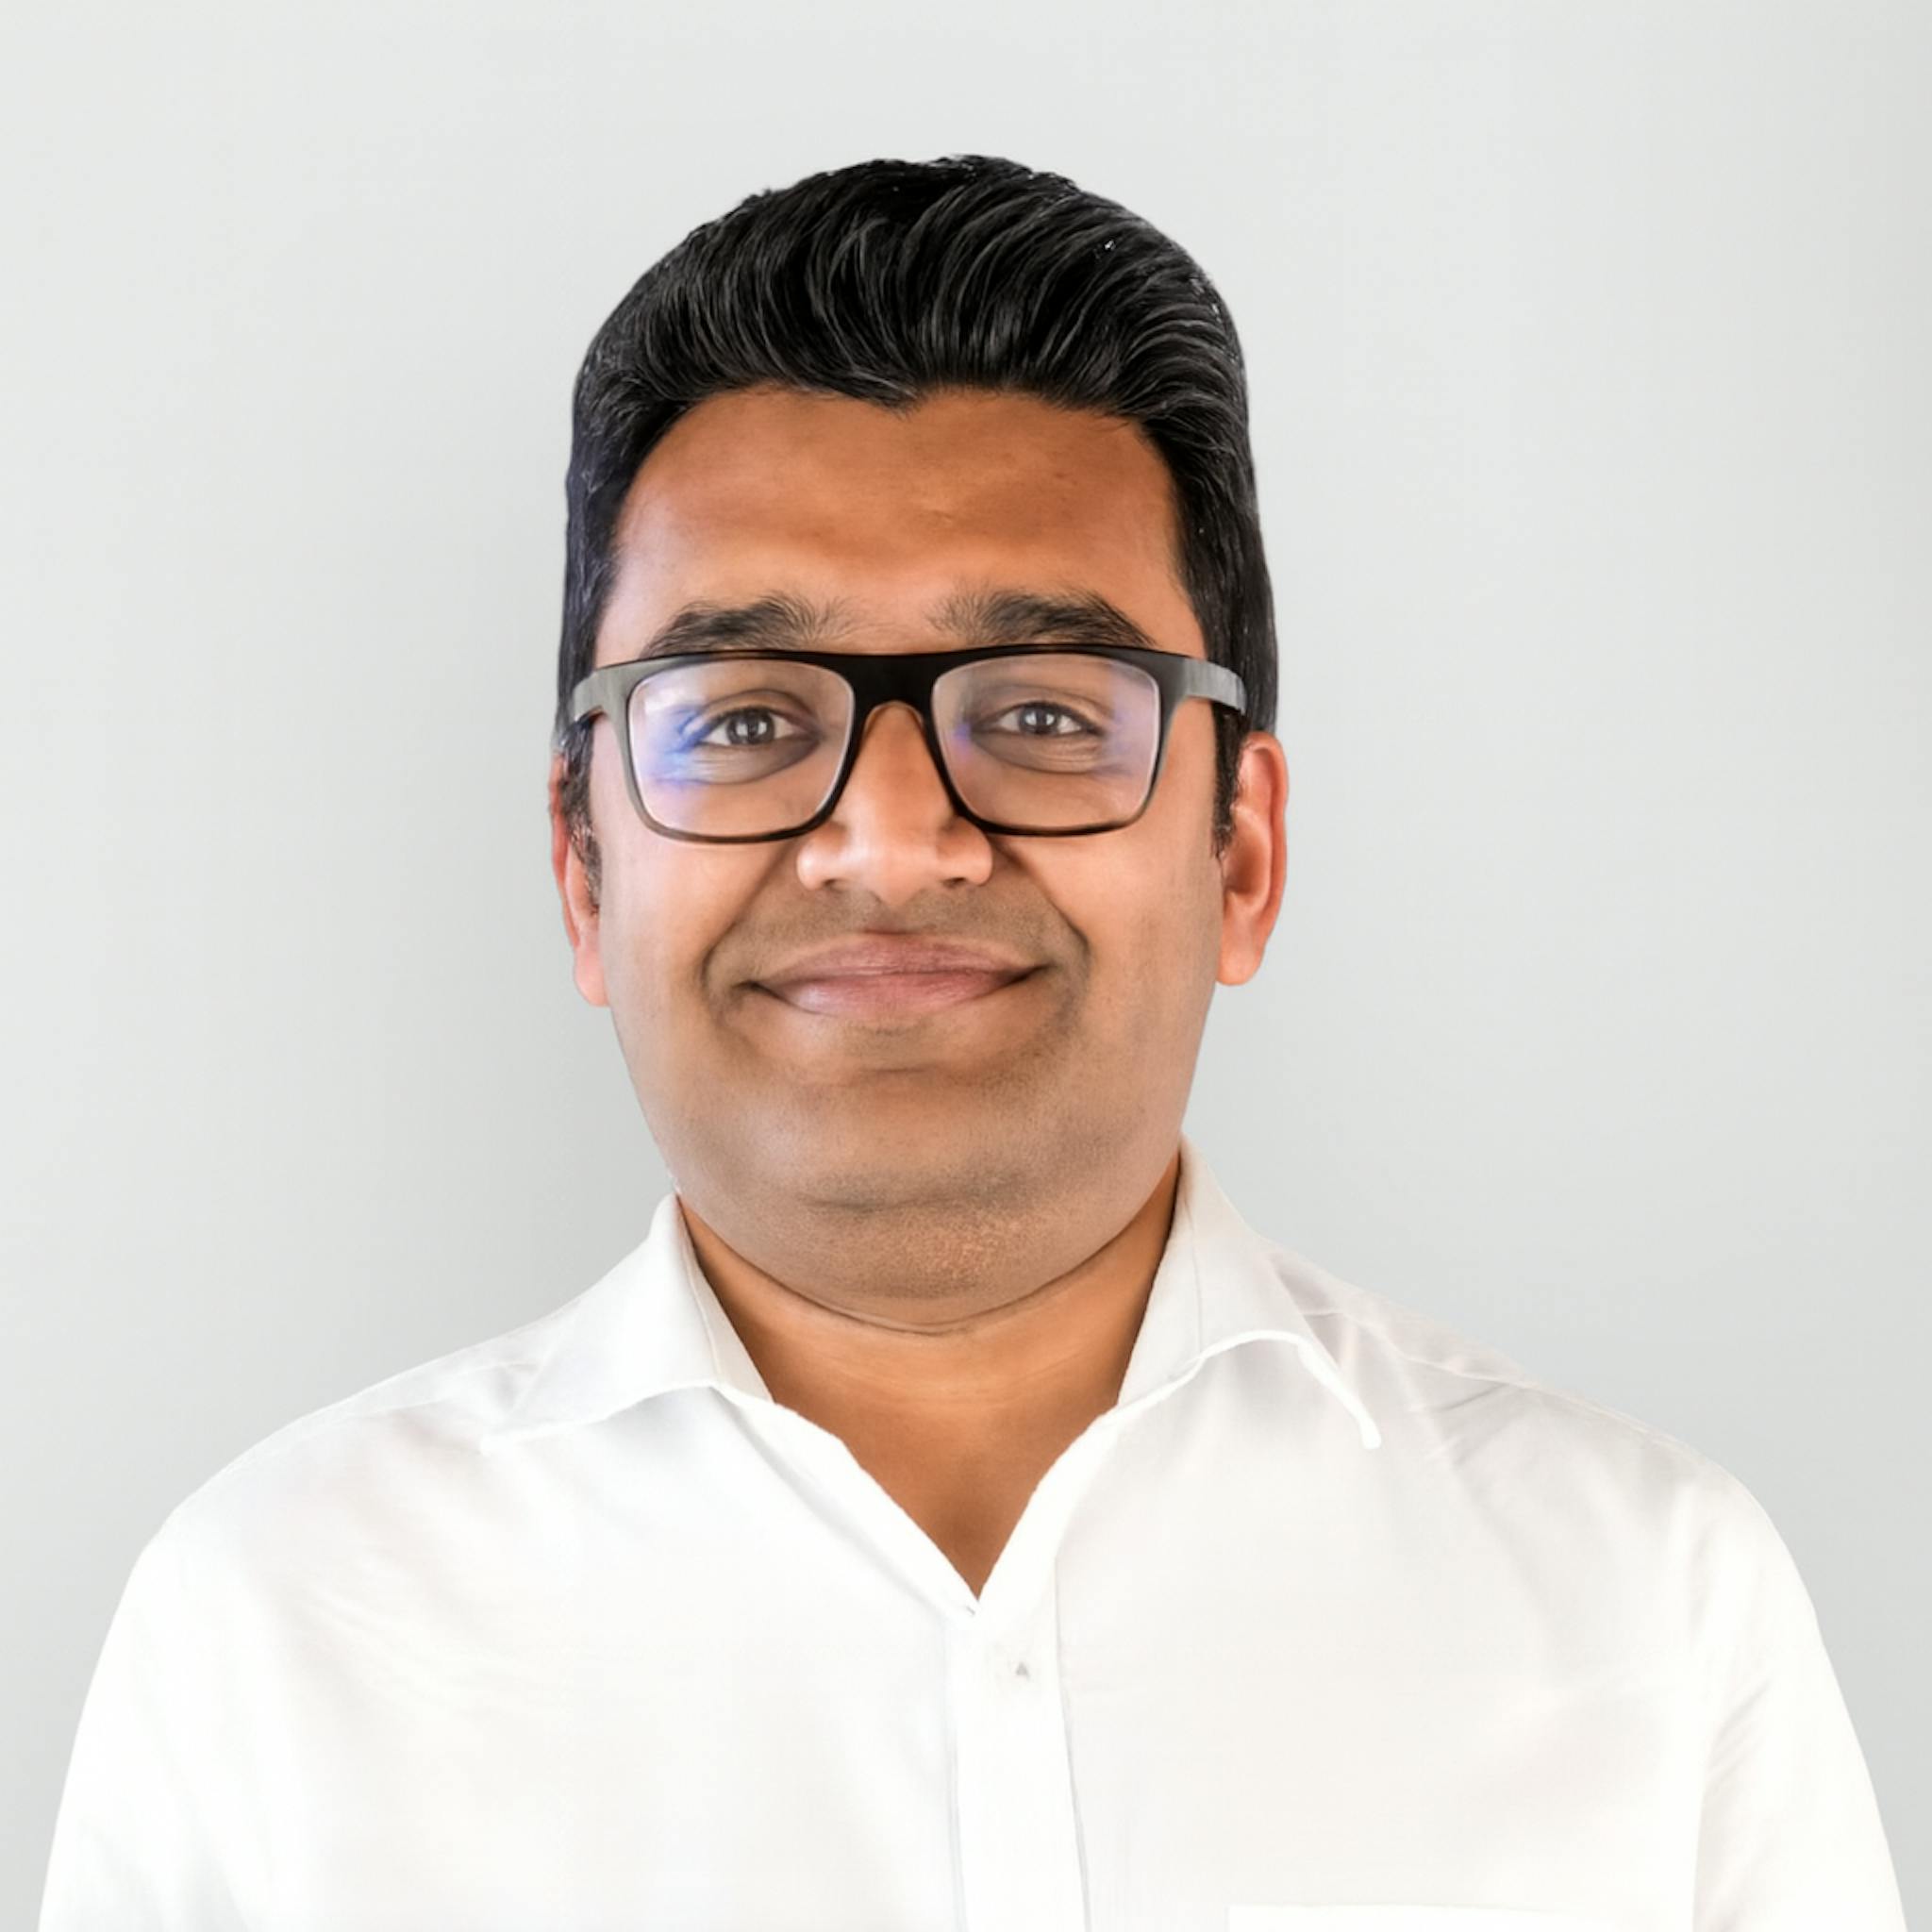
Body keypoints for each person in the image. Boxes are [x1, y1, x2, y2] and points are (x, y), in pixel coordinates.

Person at [40, 153, 1906, 1932]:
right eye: (749, 723)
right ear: (579, 861)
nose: (893, 838)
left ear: (1240, 851)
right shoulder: (279, 1627)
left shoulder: (1645, 1603)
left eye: (1037, 709)